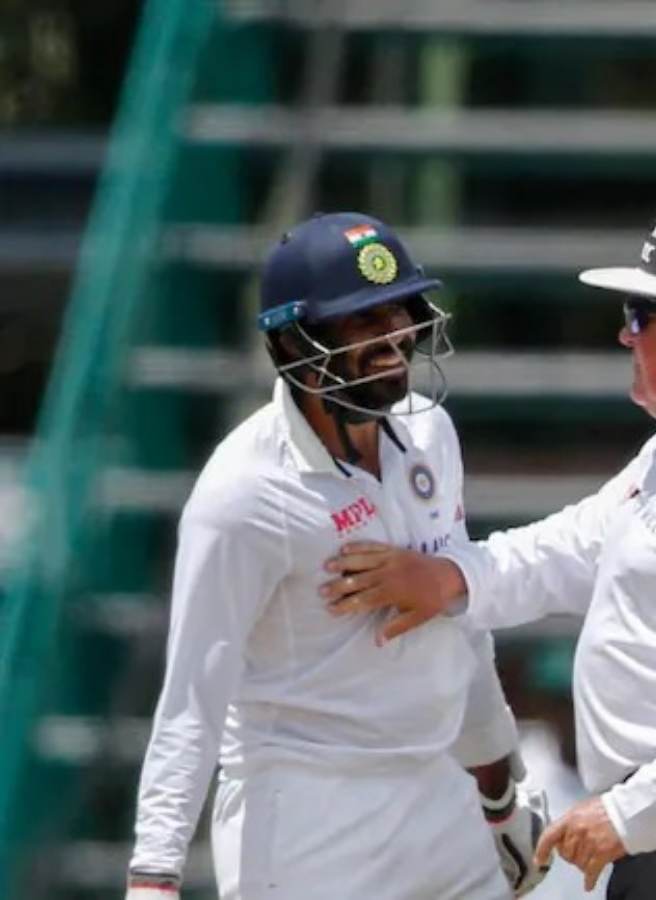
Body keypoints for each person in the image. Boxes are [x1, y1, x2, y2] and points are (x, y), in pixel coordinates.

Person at [318, 207, 656, 899]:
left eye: (641, 315)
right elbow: (574, 546)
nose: (621, 334)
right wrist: (451, 575)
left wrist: (629, 817)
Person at [125, 213, 546, 900]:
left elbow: (458, 627)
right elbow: (194, 693)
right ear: (293, 341)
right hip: (308, 822)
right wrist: (154, 876)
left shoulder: (430, 432)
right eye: (360, 323)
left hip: (439, 796)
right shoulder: (244, 494)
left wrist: (499, 795)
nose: (393, 341)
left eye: (398, 313)